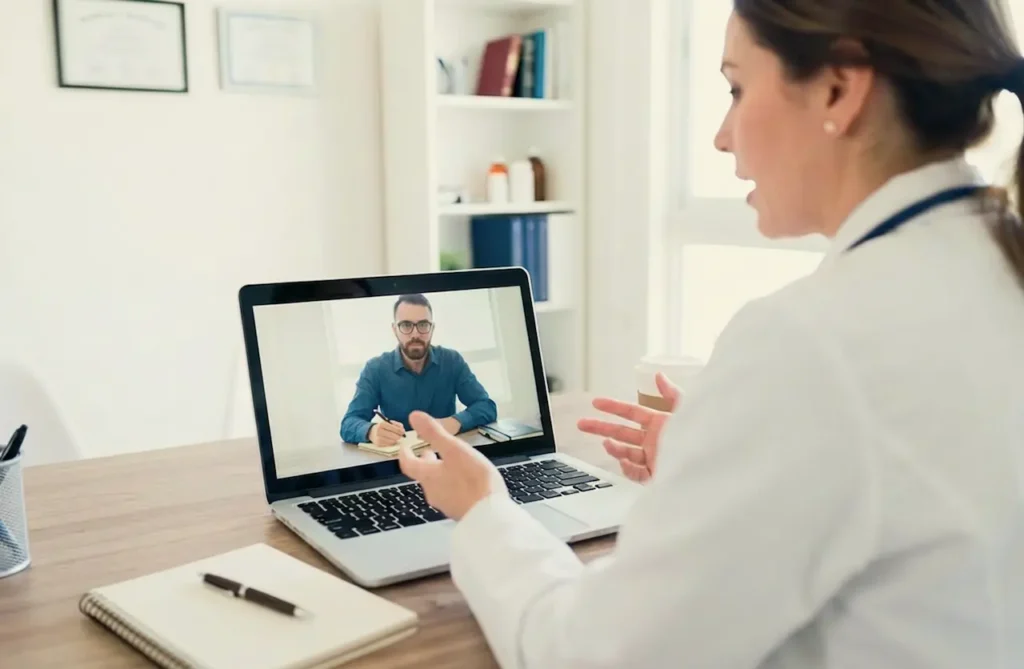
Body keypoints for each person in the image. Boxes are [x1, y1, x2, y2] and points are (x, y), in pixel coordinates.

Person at [396, 1, 1024, 667]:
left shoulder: (808, 343)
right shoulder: (995, 269)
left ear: (840, 88)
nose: (722, 137)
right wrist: (734, 461)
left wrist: (486, 510)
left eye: (737, 88)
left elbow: (590, 654)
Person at [339, 293, 497, 446]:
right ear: (395, 330)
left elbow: (487, 406)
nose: (415, 334)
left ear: (432, 328)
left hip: (445, 457)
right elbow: (348, 424)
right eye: (406, 325)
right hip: (399, 463)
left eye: (423, 325)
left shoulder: (452, 361)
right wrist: (371, 431)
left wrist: (455, 422)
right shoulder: (375, 369)